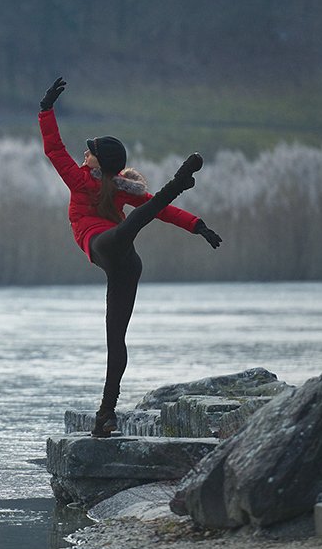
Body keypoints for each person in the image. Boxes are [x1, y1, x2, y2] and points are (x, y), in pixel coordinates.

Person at [37, 77, 223, 438]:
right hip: (125, 262)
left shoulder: (82, 181)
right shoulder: (109, 187)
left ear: (99, 161)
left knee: (127, 229)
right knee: (116, 336)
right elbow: (159, 211)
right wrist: (196, 225)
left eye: (89, 152)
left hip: (105, 248)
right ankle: (106, 414)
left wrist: (45, 110)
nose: (84, 155)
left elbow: (53, 150)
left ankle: (176, 184)